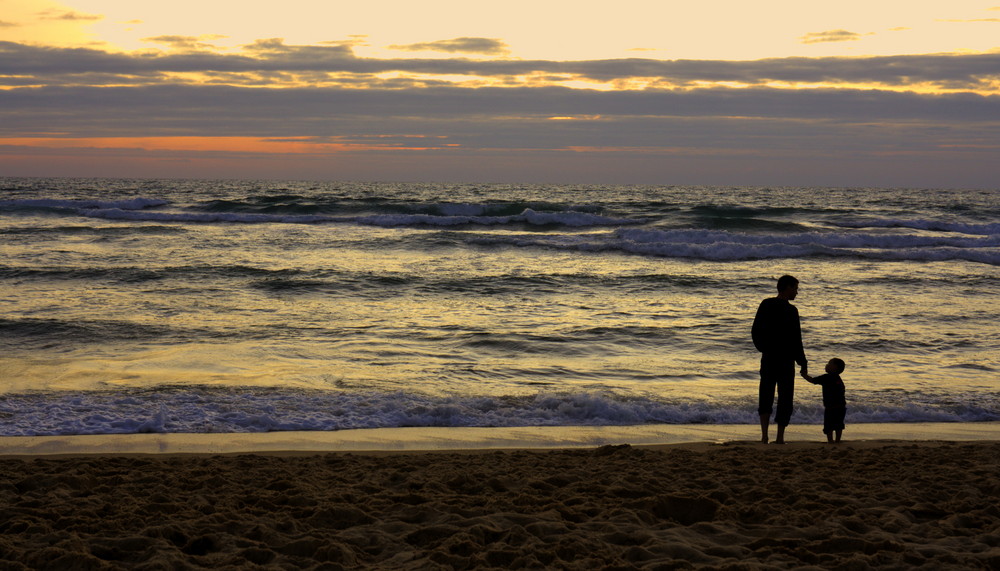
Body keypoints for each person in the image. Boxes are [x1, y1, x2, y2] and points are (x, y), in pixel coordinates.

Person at [752, 274, 807, 444]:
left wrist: (764, 348)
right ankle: (778, 436)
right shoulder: (788, 310)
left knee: (766, 394)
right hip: (783, 359)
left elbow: (756, 331)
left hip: (771, 357)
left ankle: (765, 436)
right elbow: (796, 339)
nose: (796, 293)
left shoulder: (768, 304)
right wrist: (802, 362)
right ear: (787, 288)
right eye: (795, 289)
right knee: (784, 397)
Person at [803, 358, 847, 443]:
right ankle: (838, 440)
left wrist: (804, 375)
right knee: (839, 425)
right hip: (841, 406)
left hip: (830, 407)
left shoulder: (826, 377)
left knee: (828, 425)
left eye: (829, 363)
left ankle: (830, 440)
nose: (826, 365)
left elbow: (813, 380)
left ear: (834, 367)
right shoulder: (838, 379)